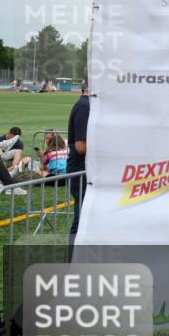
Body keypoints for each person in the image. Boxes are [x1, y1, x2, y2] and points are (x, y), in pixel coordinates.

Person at [67, 86, 90, 242]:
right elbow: (81, 147)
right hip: (81, 173)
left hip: (84, 172)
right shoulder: (85, 107)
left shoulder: (86, 105)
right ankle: (72, 261)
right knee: (81, 222)